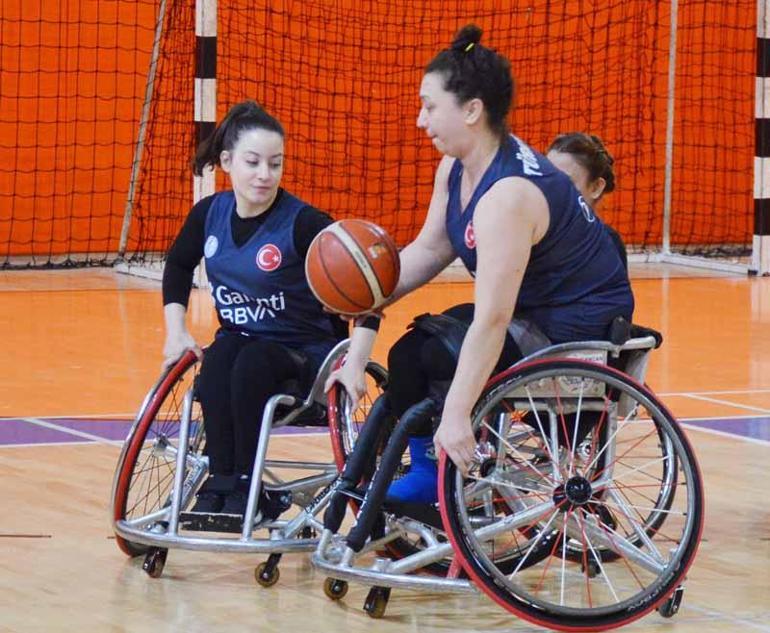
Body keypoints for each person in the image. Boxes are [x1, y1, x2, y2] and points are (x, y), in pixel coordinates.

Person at [326, 26, 634, 503]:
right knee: (413, 352)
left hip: (576, 323)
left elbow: (493, 318)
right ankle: (421, 471)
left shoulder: (507, 197)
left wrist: (456, 412)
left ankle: (437, 474)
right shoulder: (456, 167)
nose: (419, 119)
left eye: (430, 106)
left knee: (429, 355)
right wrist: (369, 293)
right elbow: (430, 249)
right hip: (535, 309)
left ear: (472, 110)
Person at [162, 100, 351, 517]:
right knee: (220, 359)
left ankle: (248, 484)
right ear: (227, 162)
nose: (265, 175)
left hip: (305, 353)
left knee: (247, 360)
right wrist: (175, 332)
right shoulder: (209, 213)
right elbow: (177, 264)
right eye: (253, 162)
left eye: (275, 164)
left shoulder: (304, 223)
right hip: (240, 346)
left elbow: (357, 284)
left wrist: (349, 357)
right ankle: (221, 481)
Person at [546, 132, 627, 269]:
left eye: (565, 182)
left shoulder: (608, 243)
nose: (551, 189)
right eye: (547, 178)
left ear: (595, 187)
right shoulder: (530, 237)